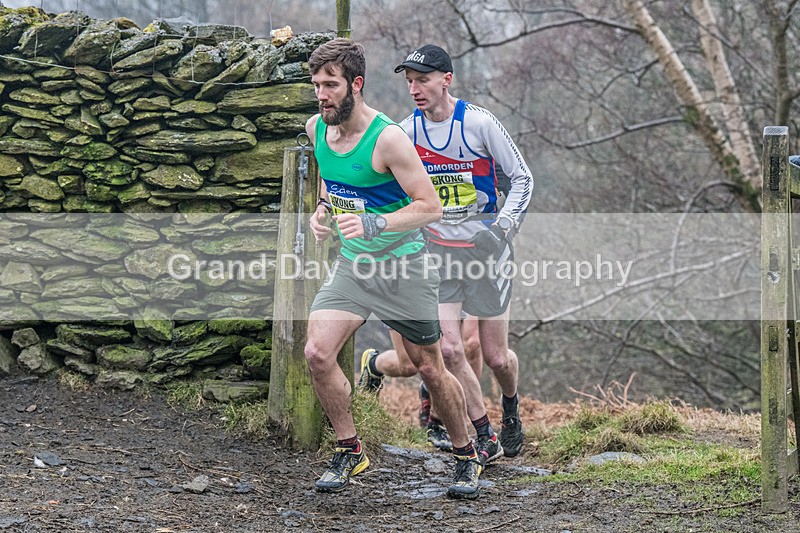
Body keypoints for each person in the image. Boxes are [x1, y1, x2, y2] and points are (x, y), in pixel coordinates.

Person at [302, 38, 483, 499]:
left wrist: (373, 221)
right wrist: (323, 209)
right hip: (354, 268)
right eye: (316, 85)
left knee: (428, 367)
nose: (322, 95)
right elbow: (332, 177)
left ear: (356, 85)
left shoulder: (388, 139)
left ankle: (466, 454)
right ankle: (349, 449)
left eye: (331, 85)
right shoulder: (317, 128)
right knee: (318, 354)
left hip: (404, 267)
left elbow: (430, 207)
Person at [363, 44, 534, 467]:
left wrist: (501, 230)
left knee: (495, 356)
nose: (415, 89)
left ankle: (510, 408)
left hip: (488, 250)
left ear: (446, 80)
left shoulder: (477, 123)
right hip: (439, 250)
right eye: (409, 82)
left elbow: (522, 179)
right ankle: (483, 434)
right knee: (452, 349)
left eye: (423, 80)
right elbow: (380, 184)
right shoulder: (405, 133)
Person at [359, 314, 483, 452]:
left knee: (464, 347)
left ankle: (437, 422)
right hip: (405, 298)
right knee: (408, 366)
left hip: (450, 295)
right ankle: (373, 363)